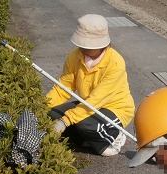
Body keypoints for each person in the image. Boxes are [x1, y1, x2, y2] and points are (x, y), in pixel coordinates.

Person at [46, 14, 134, 156]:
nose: (81, 48)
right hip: (87, 103)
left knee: (85, 124)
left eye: (86, 46)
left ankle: (114, 137)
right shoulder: (74, 56)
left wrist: (65, 121)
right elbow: (63, 88)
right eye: (80, 44)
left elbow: (96, 100)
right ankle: (87, 138)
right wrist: (41, 106)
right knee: (52, 113)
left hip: (115, 108)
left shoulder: (116, 63)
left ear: (101, 45)